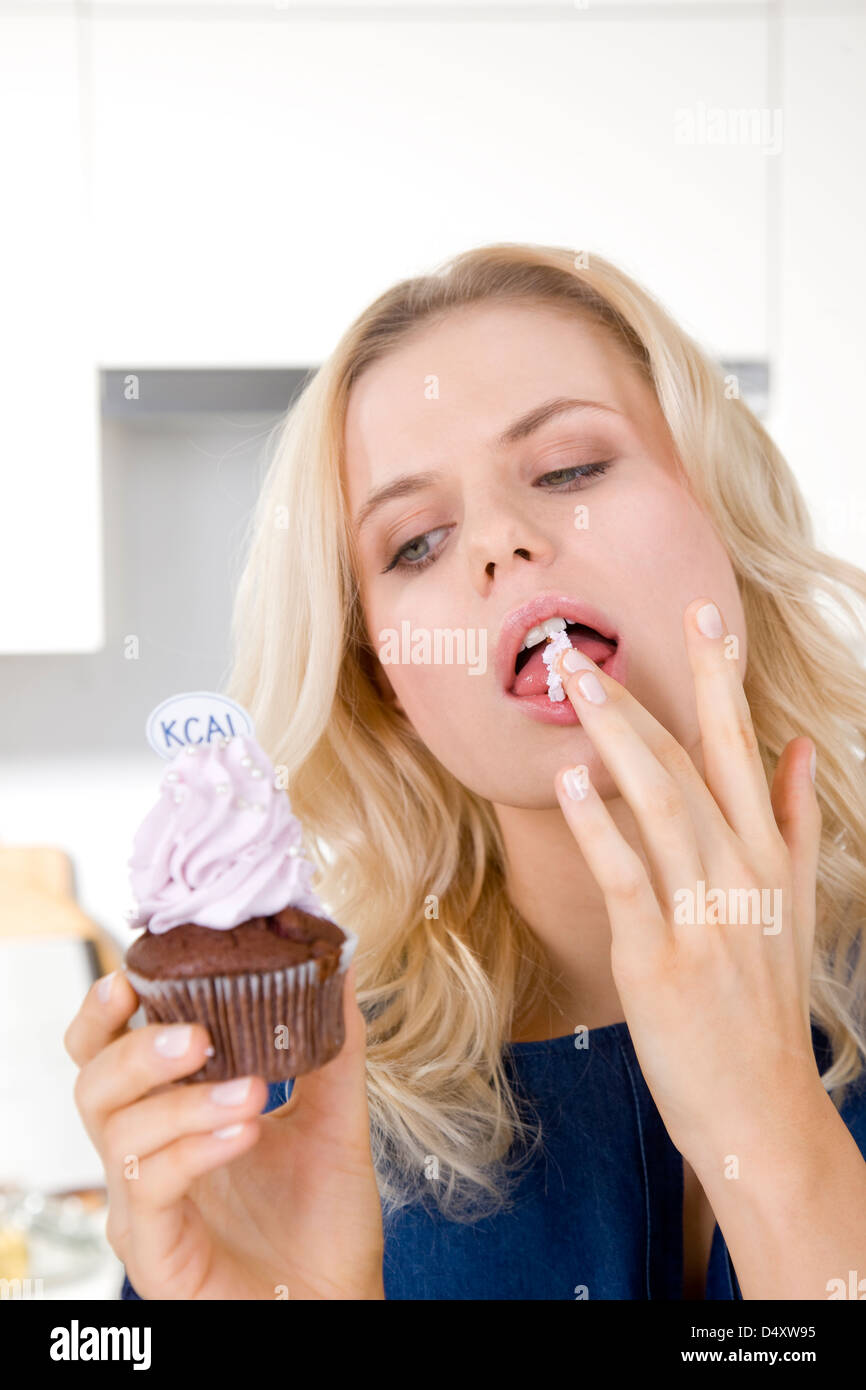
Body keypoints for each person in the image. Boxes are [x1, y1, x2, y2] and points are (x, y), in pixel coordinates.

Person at [66, 243, 866, 1300]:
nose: (497, 540)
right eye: (414, 541)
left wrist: (772, 1137)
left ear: (719, 506)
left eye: (570, 467)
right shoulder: (296, 1108)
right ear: (386, 680)